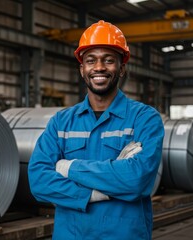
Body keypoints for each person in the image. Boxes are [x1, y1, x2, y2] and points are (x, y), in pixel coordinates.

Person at [28, 20, 165, 240]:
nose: (99, 67)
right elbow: (39, 182)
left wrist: (68, 167)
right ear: (82, 69)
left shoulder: (144, 118)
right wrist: (93, 194)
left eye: (109, 60)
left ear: (122, 68)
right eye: (91, 60)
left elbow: (136, 180)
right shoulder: (61, 122)